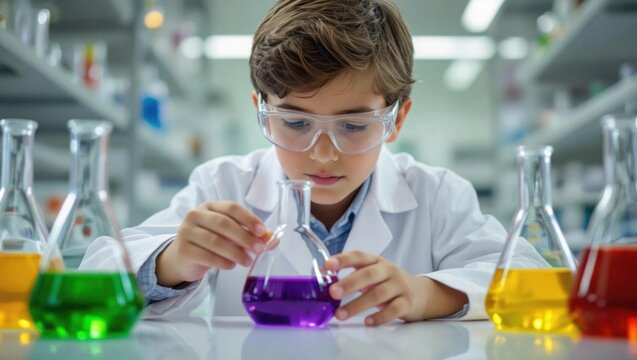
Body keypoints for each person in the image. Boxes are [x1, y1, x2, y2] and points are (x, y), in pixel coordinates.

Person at [84, 0, 510, 326]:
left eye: (354, 126)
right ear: (260, 110)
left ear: (396, 119)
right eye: (294, 122)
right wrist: (172, 261)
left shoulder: (437, 196)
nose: (322, 153)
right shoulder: (222, 184)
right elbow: (95, 273)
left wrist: (425, 294)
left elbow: (527, 273)